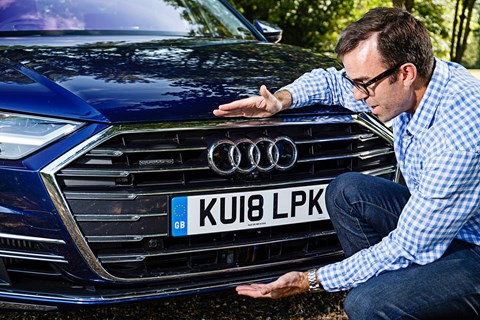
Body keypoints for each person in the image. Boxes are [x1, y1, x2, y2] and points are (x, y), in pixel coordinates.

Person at [213, 7, 480, 320]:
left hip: (473, 247)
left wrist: (308, 280)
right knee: (347, 191)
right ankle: (399, 293)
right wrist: (279, 100)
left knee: (367, 304)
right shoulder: (418, 80)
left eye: (364, 84)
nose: (357, 94)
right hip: (450, 224)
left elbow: (410, 245)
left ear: (405, 73)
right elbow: (330, 83)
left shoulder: (458, 136)